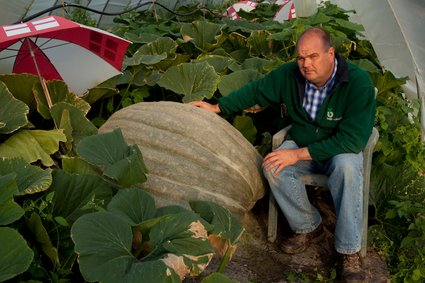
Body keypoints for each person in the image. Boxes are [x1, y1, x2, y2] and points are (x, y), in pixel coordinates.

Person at [190, 26, 375, 283]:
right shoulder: (290, 76)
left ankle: (349, 252)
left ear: (330, 53)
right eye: (300, 57)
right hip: (303, 143)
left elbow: (352, 139)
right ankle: (310, 227)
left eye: (313, 56)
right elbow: (256, 91)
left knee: (347, 168)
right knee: (272, 166)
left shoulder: (357, 83)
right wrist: (218, 107)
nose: (305, 64)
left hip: (340, 150)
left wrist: (298, 154)